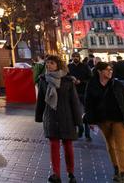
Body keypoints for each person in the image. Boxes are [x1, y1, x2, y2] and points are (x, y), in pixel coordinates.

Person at [84, 61, 124, 183]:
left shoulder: (117, 84)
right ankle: (116, 169)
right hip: (103, 120)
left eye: (111, 70)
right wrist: (90, 121)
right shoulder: (92, 84)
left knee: (120, 146)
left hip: (119, 119)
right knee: (110, 146)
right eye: (107, 70)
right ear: (99, 72)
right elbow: (88, 104)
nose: (110, 72)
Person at [35, 55, 82, 183]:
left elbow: (74, 102)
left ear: (58, 65)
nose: (49, 65)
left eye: (51, 63)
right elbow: (41, 101)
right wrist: (39, 117)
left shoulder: (67, 81)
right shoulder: (43, 80)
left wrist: (79, 121)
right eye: (47, 63)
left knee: (68, 146)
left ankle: (71, 173)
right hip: (51, 117)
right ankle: (56, 174)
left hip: (67, 117)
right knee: (54, 146)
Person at [67, 52, 92, 140]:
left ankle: (87, 133)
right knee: (75, 112)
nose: (75, 58)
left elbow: (90, 78)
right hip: (73, 92)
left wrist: (81, 81)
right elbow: (66, 77)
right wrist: (71, 80)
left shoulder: (85, 66)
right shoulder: (69, 67)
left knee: (86, 112)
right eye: (74, 56)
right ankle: (80, 129)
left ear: (79, 57)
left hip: (83, 91)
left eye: (77, 56)